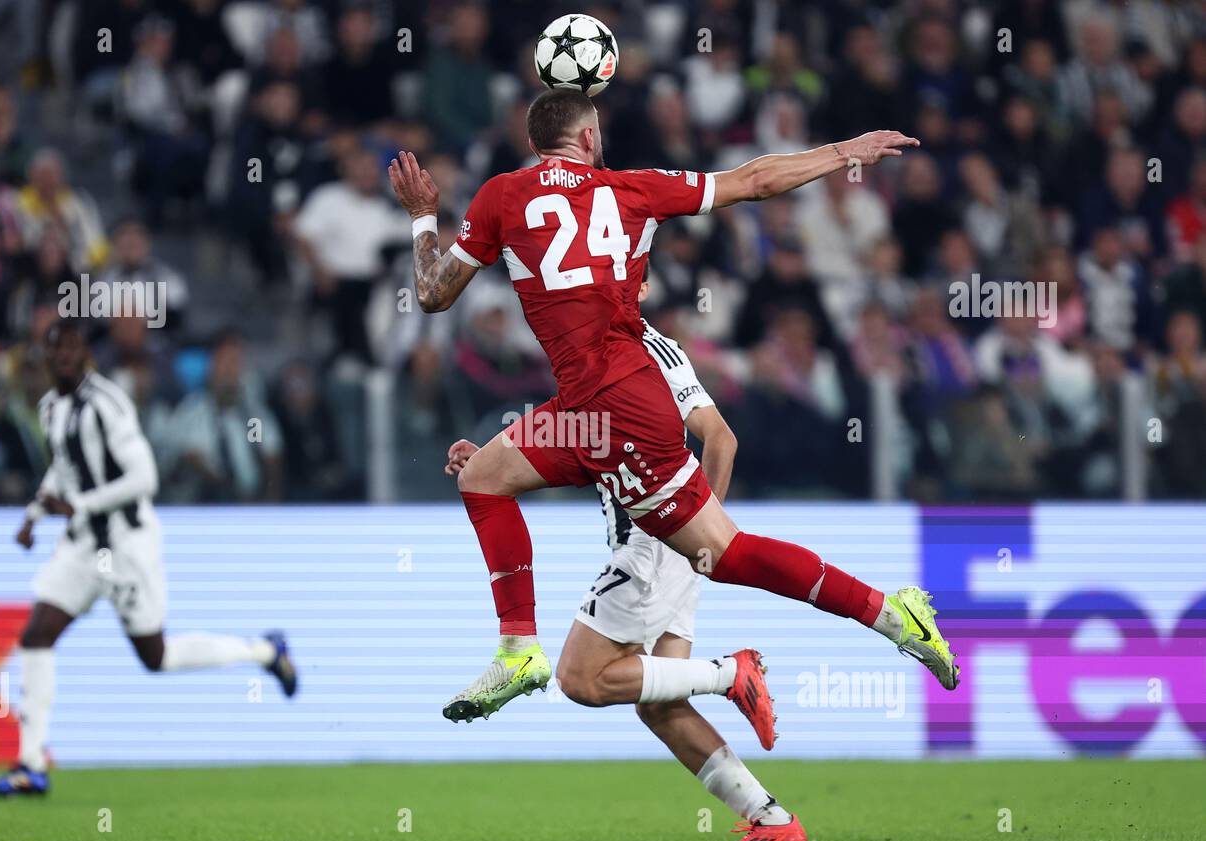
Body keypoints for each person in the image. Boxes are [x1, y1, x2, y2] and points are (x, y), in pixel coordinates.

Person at [386, 89, 957, 757]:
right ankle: (519, 652)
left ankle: (890, 614)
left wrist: (424, 216)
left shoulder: (499, 198)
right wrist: (846, 152)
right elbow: (755, 180)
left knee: (724, 554)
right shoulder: (635, 189)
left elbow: (431, 293)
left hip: (607, 407)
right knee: (485, 474)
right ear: (590, 141)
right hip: (603, 404)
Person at [444, 270, 805, 841]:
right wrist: (485, 461)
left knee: (581, 679)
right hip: (664, 546)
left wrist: (699, 539)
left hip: (654, 543)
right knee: (659, 704)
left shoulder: (651, 352)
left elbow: (721, 439)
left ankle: (730, 673)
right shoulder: (589, 364)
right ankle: (770, 817)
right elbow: (574, 453)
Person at [0, 319, 297, 797]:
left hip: (127, 545)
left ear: (85, 354)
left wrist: (80, 505)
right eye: (54, 352)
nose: (62, 359)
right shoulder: (50, 408)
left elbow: (144, 478)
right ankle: (30, 764)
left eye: (71, 350)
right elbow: (64, 471)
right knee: (36, 633)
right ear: (46, 359)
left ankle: (264, 652)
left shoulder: (107, 405)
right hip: (83, 545)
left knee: (157, 657)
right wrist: (33, 513)